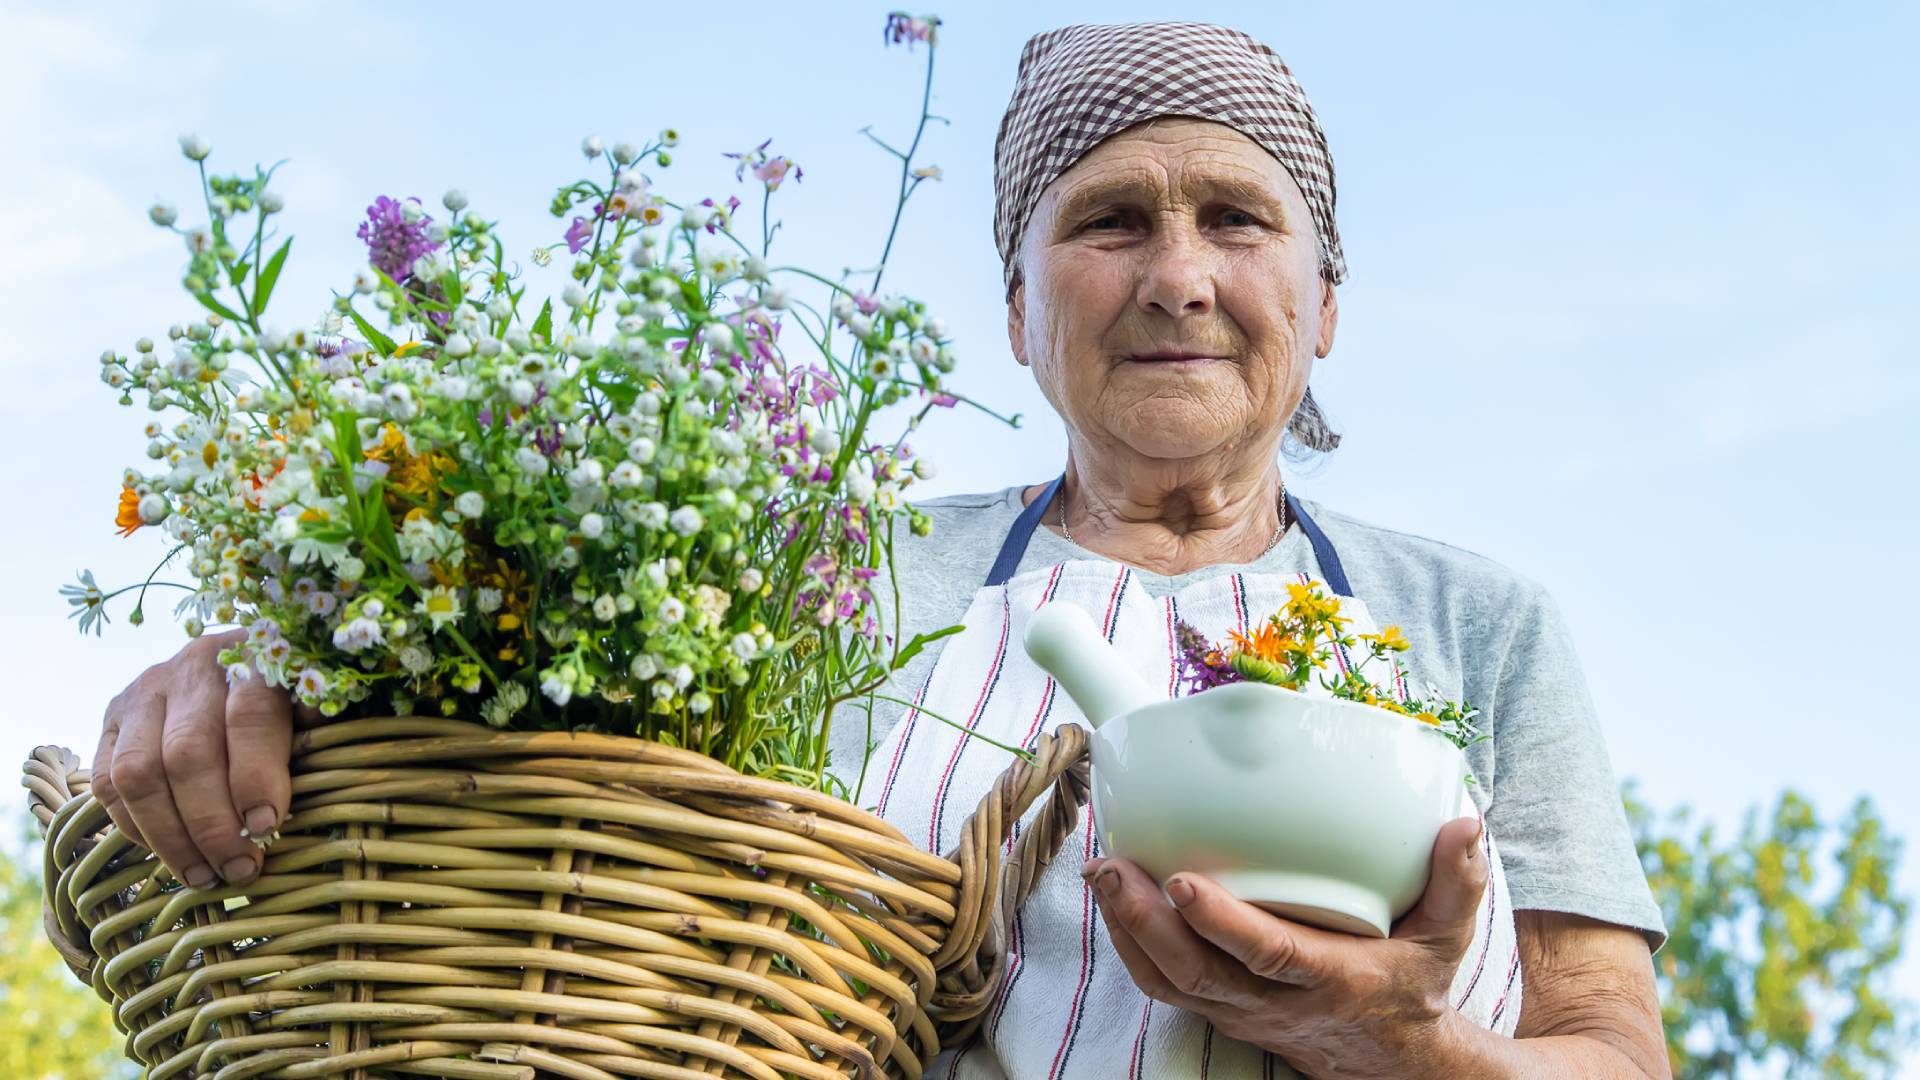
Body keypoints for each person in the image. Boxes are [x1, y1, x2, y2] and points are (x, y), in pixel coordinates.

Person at [91, 20, 1671, 1079]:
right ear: (1017, 317)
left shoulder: (1476, 622)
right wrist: (284, 670)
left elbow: (1609, 1045)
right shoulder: (835, 579)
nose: (1178, 276)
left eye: (1240, 222)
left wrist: (1412, 1054)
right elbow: (538, 804)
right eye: (1110, 221)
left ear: (1325, 308)